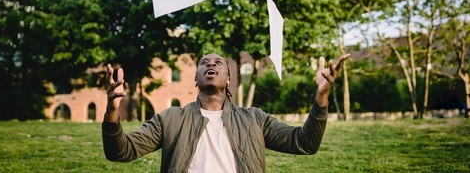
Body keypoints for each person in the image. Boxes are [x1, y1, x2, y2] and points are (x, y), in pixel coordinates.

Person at [102, 52, 350, 173]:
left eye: (218, 62)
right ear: (196, 80)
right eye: (204, 62)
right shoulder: (170, 119)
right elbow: (120, 152)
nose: (211, 64)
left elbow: (305, 143)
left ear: (229, 80)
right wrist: (112, 109)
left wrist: (322, 96)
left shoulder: (254, 118)